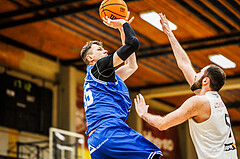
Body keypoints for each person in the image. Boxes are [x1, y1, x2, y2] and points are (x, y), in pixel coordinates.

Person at [134, 13, 238, 159]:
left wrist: (143, 114)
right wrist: (169, 34)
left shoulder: (199, 102)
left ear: (205, 81)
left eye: (199, 73)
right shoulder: (212, 99)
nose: (195, 75)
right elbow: (184, 65)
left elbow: (163, 124)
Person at [80, 12, 162, 159]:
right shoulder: (99, 67)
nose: (105, 51)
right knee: (153, 156)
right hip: (110, 131)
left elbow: (131, 65)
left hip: (95, 143)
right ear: (90, 58)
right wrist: (124, 24)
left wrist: (121, 30)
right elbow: (133, 44)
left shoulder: (101, 77)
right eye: (99, 50)